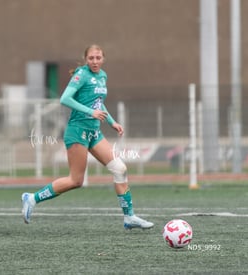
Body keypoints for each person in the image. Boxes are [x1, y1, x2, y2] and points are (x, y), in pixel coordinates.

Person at [21, 45, 154, 230]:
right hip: (77, 131)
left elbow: (99, 103)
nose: (95, 61)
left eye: (98, 57)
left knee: (120, 169)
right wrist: (91, 112)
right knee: (76, 180)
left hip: (94, 132)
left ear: (103, 58)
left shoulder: (102, 76)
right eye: (91, 58)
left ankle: (129, 217)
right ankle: (31, 198)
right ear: (86, 59)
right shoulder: (81, 75)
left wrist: (112, 122)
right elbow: (65, 99)